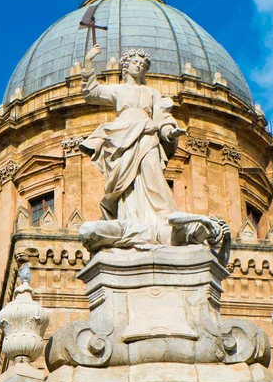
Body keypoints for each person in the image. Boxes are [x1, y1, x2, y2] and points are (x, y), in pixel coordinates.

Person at [79, 45, 226, 253]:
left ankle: (160, 216)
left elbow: (163, 117)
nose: (138, 67)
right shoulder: (119, 90)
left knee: (152, 174)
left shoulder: (152, 93)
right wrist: (88, 62)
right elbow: (91, 92)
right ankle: (130, 217)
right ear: (126, 67)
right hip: (121, 135)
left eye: (142, 64)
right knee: (126, 184)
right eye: (135, 63)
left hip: (148, 135)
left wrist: (169, 132)